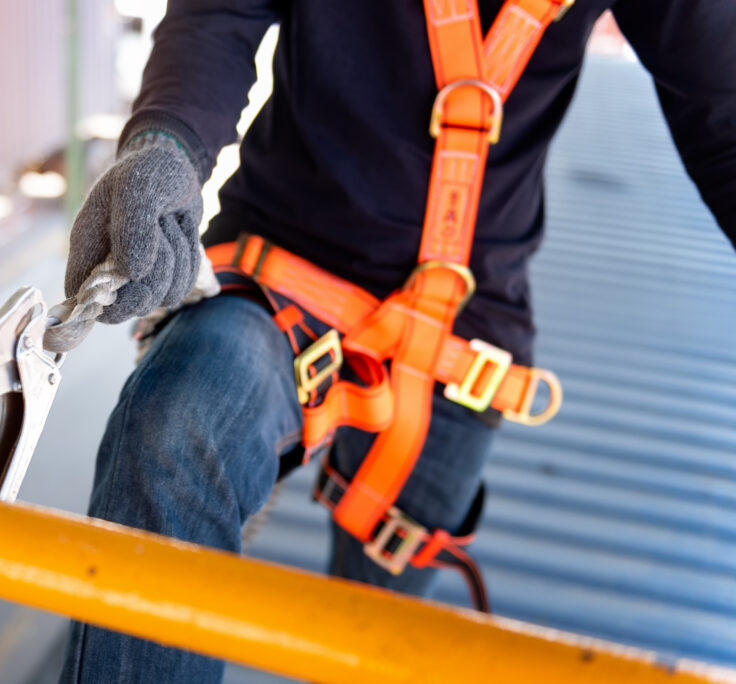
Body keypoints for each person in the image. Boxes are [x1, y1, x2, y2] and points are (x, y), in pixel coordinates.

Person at [56, 1, 736, 682]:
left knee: (378, 647)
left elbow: (723, 112)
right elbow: (222, 11)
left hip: (465, 334)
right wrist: (165, 146)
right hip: (285, 259)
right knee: (177, 424)